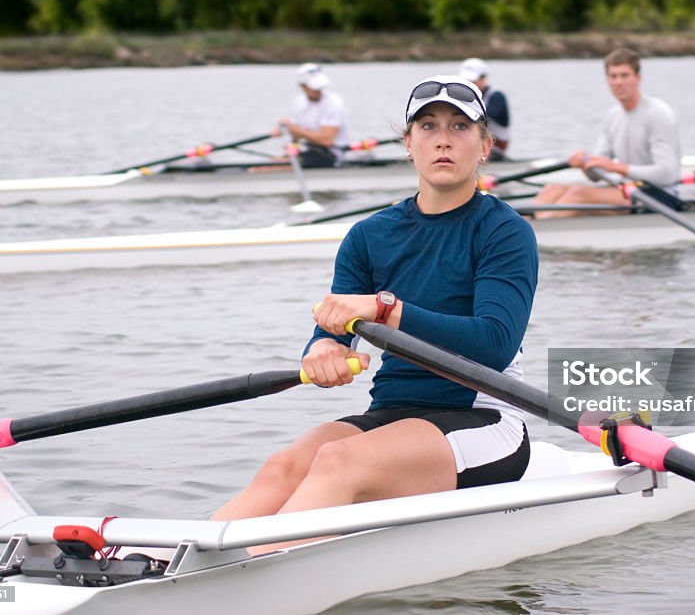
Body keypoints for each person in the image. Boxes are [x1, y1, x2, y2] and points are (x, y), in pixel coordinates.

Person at [212, 75, 539, 554]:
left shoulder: (504, 232)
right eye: (428, 126)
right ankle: (161, 562)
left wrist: (388, 310)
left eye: (460, 127)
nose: (443, 139)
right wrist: (322, 349)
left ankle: (243, 584)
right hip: (391, 415)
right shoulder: (369, 236)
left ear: (485, 146)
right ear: (408, 145)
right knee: (282, 467)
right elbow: (334, 331)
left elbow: (494, 344)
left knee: (337, 463)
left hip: (486, 420)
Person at [531, 48, 682, 218]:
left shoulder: (657, 113)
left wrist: (615, 167)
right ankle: (520, 227)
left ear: (638, 78)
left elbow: (666, 174)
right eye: (613, 76)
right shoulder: (613, 116)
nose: (619, 82)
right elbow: (596, 174)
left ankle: (530, 238)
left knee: (578, 195)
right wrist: (585, 162)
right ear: (607, 80)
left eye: (625, 76)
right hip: (628, 190)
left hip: (660, 196)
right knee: (553, 188)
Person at [273, 62, 351, 168]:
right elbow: (296, 134)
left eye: (320, 87)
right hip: (310, 151)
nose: (319, 91)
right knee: (270, 164)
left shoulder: (333, 103)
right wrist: (284, 130)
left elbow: (326, 140)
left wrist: (293, 129)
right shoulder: (299, 102)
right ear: (302, 86)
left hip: (331, 154)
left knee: (277, 167)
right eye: (314, 88)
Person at [459, 57, 510, 161]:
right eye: (465, 81)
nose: (468, 85)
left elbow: (480, 116)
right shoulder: (462, 97)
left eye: (472, 81)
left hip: (494, 151)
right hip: (469, 149)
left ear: (483, 78)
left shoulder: (496, 96)